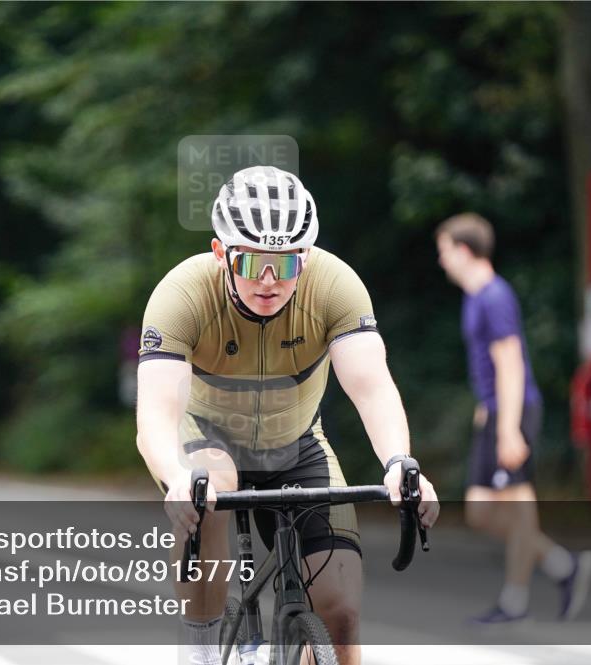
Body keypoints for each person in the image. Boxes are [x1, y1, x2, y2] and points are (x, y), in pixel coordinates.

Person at [136, 165, 440, 665]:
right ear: (221, 254)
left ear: (306, 257)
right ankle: (200, 653)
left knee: (341, 617)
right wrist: (174, 476)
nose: (271, 282)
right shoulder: (182, 294)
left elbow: (372, 386)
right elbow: (156, 414)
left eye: (286, 264)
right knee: (210, 482)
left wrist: (399, 463)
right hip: (208, 443)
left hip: (297, 444)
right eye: (254, 264)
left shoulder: (335, 285)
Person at [434, 213, 591, 623]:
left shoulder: (494, 296)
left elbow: (510, 363)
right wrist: (486, 409)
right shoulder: (474, 297)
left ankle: (514, 600)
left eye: (445, 251)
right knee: (480, 510)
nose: (442, 260)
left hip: (515, 410)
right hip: (495, 410)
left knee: (518, 507)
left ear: (465, 250)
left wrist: (508, 428)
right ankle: (563, 566)